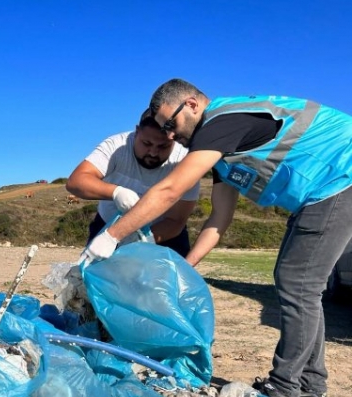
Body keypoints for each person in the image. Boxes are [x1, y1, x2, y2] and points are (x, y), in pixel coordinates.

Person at [83, 79, 352, 397]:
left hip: (339, 179)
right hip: (321, 193)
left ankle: (284, 387)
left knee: (297, 283)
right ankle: (309, 382)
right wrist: (187, 265)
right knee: (300, 284)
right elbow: (219, 220)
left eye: (171, 124)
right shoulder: (221, 152)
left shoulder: (220, 122)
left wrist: (112, 235)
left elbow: (169, 191)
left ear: (192, 105)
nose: (169, 135)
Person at [66, 112, 199, 257]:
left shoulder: (185, 160)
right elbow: (76, 181)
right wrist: (116, 192)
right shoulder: (116, 146)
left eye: (163, 146)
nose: (153, 153)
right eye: (147, 143)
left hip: (164, 232)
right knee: (96, 277)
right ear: (137, 132)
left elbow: (176, 220)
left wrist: (139, 239)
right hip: (108, 225)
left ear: (173, 139)